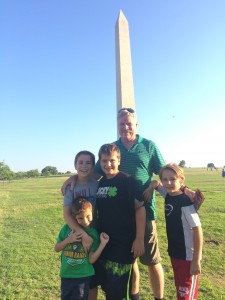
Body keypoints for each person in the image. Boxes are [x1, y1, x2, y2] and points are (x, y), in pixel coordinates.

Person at [62, 108, 165, 300]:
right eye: (121, 124)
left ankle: (158, 297)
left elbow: (164, 172)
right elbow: (90, 172)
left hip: (143, 214)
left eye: (129, 123)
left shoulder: (148, 147)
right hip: (110, 233)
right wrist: (74, 176)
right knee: (125, 267)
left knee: (151, 260)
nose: (125, 127)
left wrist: (164, 186)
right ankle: (135, 295)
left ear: (136, 124)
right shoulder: (109, 157)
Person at [93, 143, 146, 300]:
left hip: (123, 244)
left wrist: (139, 239)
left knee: (118, 291)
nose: (108, 164)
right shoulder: (100, 183)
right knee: (108, 287)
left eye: (112, 160)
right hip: (104, 243)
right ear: (100, 162)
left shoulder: (128, 181)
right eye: (104, 161)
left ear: (119, 160)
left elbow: (140, 209)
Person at [148, 163, 203, 300]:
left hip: (188, 257)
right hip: (175, 254)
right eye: (165, 179)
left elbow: (198, 230)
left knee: (186, 296)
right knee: (180, 291)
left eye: (173, 179)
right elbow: (157, 183)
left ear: (181, 180)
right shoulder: (168, 195)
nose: (168, 183)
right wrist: (151, 187)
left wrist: (196, 260)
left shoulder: (185, 203)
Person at [55, 196, 109, 300]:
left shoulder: (93, 234)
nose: (85, 221)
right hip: (66, 275)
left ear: (92, 212)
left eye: (88, 216)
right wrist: (68, 240)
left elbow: (91, 259)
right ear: (74, 217)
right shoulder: (66, 229)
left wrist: (102, 244)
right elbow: (57, 248)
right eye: (80, 218)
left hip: (83, 276)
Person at [63, 150, 98, 253]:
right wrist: (83, 235)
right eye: (80, 162)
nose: (84, 166)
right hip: (76, 233)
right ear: (75, 165)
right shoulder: (71, 187)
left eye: (88, 163)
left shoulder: (97, 185)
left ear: (93, 166)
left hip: (95, 230)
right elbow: (67, 214)